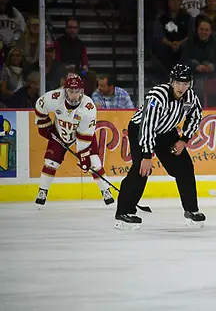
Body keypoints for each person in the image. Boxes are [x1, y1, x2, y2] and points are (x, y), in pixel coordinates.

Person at [115, 64, 204, 230]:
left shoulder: (190, 97)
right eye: (178, 83)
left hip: (166, 132)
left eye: (185, 83)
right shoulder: (158, 96)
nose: (181, 87)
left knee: (184, 166)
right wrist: (147, 156)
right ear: (171, 82)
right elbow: (147, 125)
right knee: (141, 169)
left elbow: (196, 116)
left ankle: (191, 210)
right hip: (141, 129)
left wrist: (184, 140)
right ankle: (124, 212)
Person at [34, 74, 115, 206]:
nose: (74, 95)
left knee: (94, 163)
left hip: (82, 135)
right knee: (50, 162)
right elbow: (40, 105)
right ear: (65, 91)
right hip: (60, 132)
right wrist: (44, 124)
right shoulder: (55, 98)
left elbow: (84, 136)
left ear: (82, 92)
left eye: (77, 91)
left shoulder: (88, 107)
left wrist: (83, 157)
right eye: (71, 91)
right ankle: (42, 191)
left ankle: (106, 191)